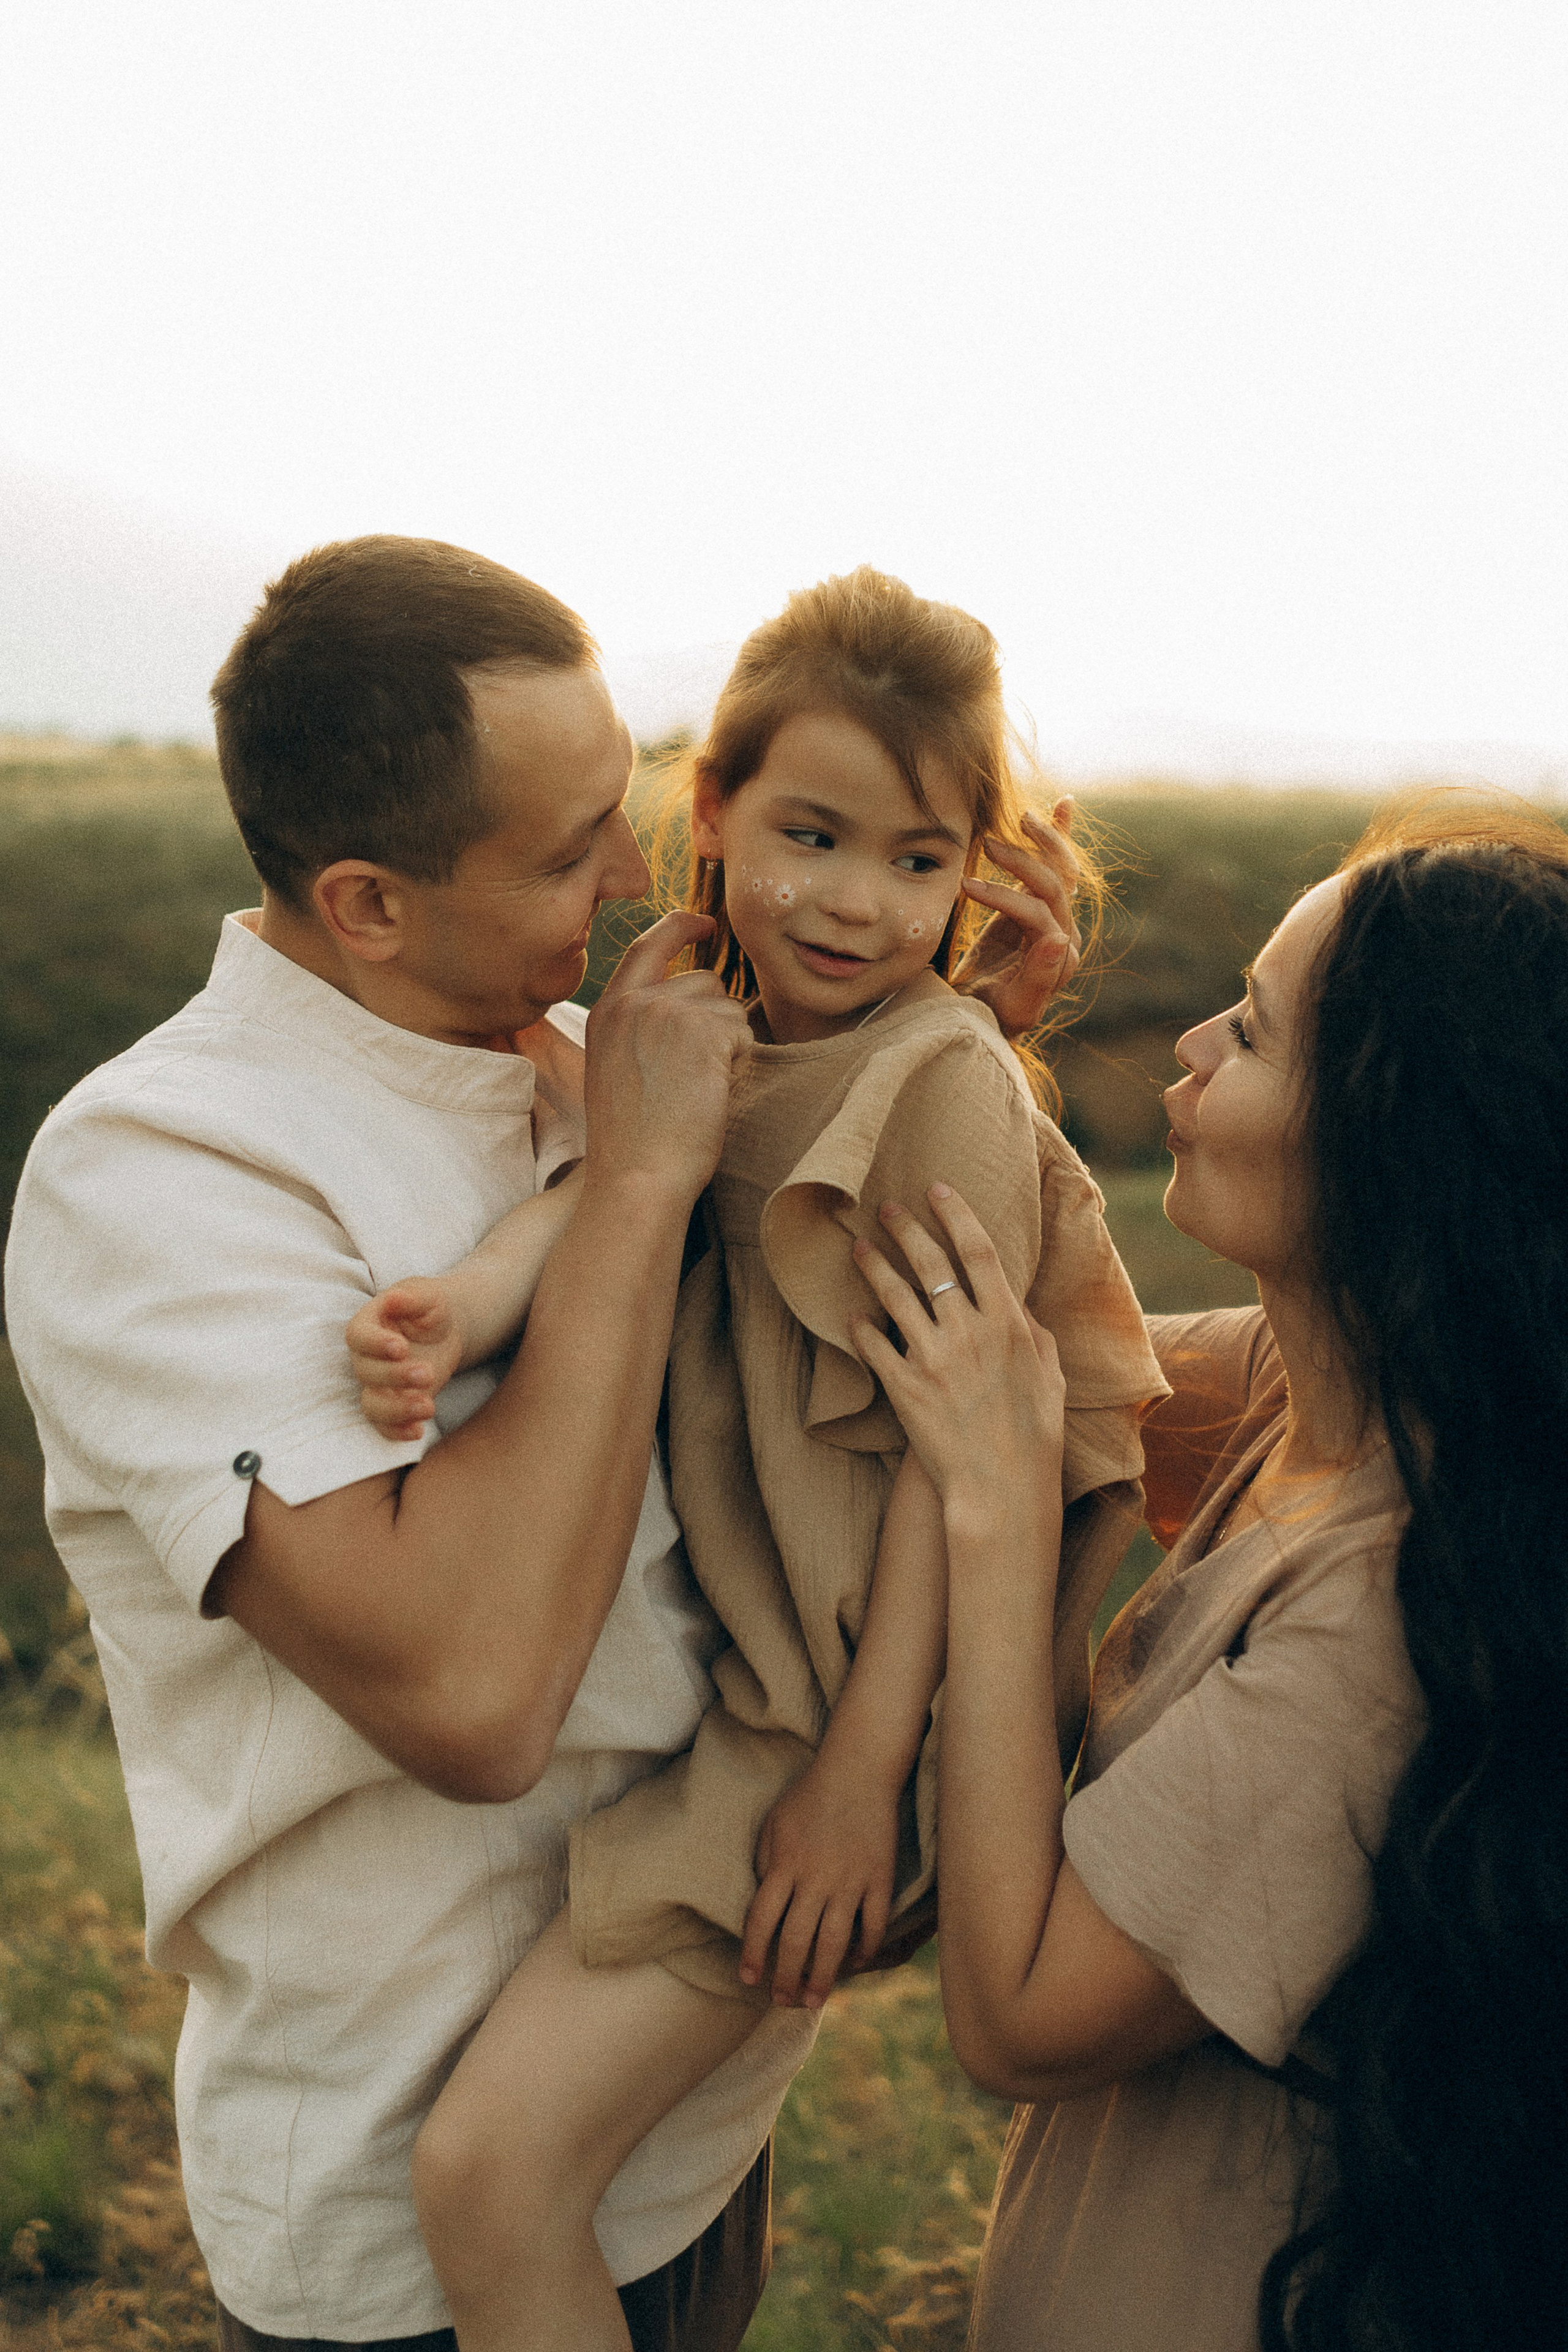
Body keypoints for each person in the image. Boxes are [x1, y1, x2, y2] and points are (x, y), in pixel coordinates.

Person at [1, 537, 1079, 2352]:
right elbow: (482, 1697)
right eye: (572, 845)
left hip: (690, 2086)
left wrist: (928, 1058)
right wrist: (643, 1185)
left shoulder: (594, 1056)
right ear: (365, 902)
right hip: (407, 2195)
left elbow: (830, 1351)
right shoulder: (163, 1174)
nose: (641, 875)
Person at [344, 568, 1167, 2352]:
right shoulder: (700, 1017)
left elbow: (967, 1471)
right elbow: (603, 1190)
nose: (859, 904)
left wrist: (863, 1775)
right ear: (707, 811)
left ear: (976, 872)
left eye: (919, 859)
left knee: (490, 2178)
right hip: (774, 1687)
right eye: (811, 833)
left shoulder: (941, 1080)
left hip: (858, 1704)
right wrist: (464, 1310)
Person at [848, 791, 1568, 2351]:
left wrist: (996, 1512)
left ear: (1392, 1133)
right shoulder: (1307, 1391)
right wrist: (972, 1055)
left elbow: (1020, 2017)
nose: (1182, 1049)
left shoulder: (1392, 1614)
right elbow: (1021, 1347)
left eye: (1244, 1031)